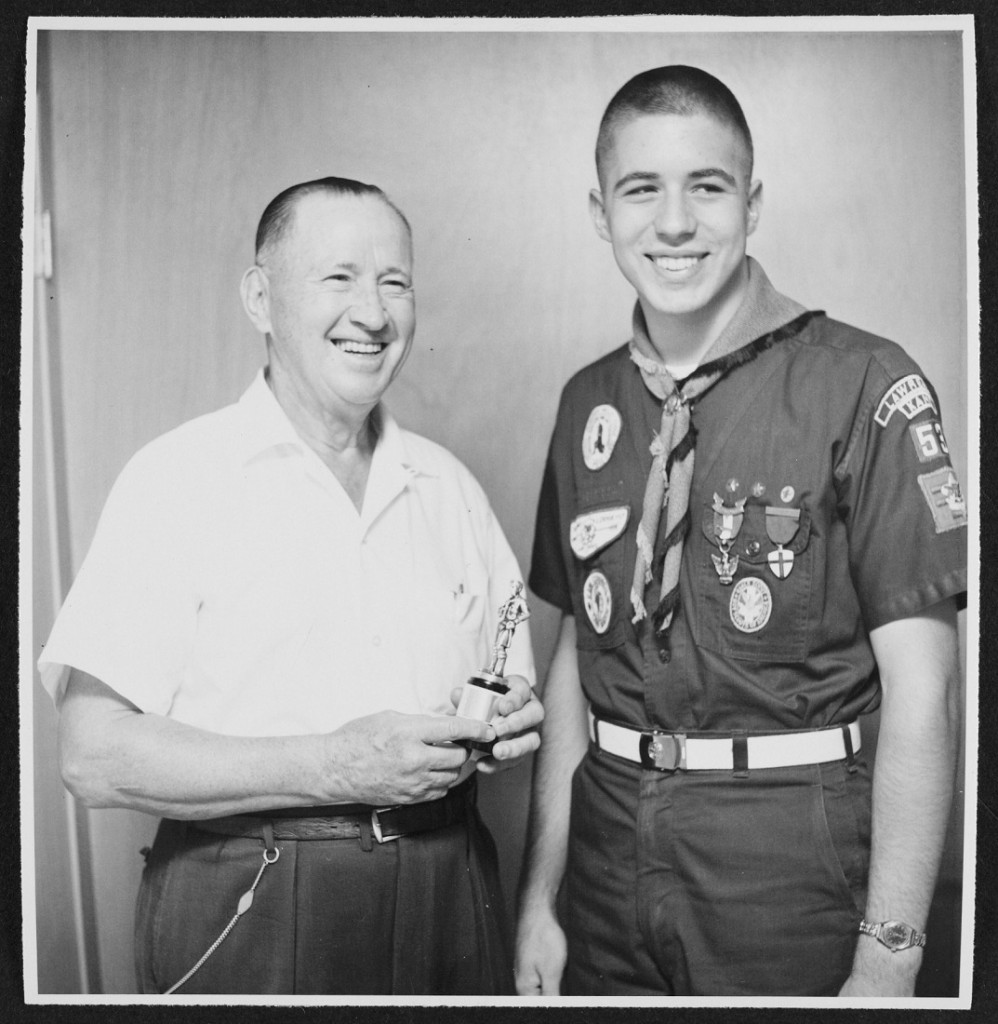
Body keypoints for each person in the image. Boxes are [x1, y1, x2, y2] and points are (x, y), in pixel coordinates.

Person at [515, 66, 966, 997]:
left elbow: (926, 689)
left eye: (707, 187)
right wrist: (540, 898)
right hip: (602, 855)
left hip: (784, 862)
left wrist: (891, 955)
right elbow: (573, 660)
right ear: (601, 212)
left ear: (752, 202)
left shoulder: (867, 386)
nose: (673, 223)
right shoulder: (586, 403)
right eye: (641, 190)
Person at [39, 176, 543, 996]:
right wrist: (336, 766)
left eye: (395, 282)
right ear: (260, 298)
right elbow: (92, 756)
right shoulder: (178, 478)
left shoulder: (450, 488)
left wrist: (511, 717)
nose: (373, 313)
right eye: (338, 277)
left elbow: (505, 680)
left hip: (453, 885)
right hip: (252, 891)